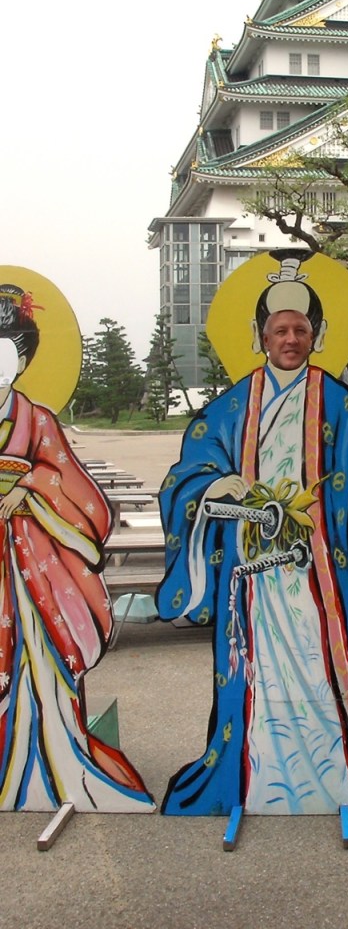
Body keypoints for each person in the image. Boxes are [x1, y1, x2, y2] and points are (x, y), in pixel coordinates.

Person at [156, 264, 348, 818]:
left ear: (318, 336)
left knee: (324, 665)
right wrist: (215, 484)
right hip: (249, 575)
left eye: (300, 331)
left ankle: (335, 773)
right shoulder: (230, 407)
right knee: (252, 669)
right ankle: (253, 774)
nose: (290, 340)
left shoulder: (337, 402)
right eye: (280, 330)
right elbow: (185, 476)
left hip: (317, 572)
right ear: (261, 335)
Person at [0, 283, 154, 813]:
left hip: (28, 568)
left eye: (7, 355)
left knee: (34, 664)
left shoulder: (37, 419)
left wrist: (29, 488)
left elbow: (79, 495)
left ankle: (40, 759)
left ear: (22, 361)